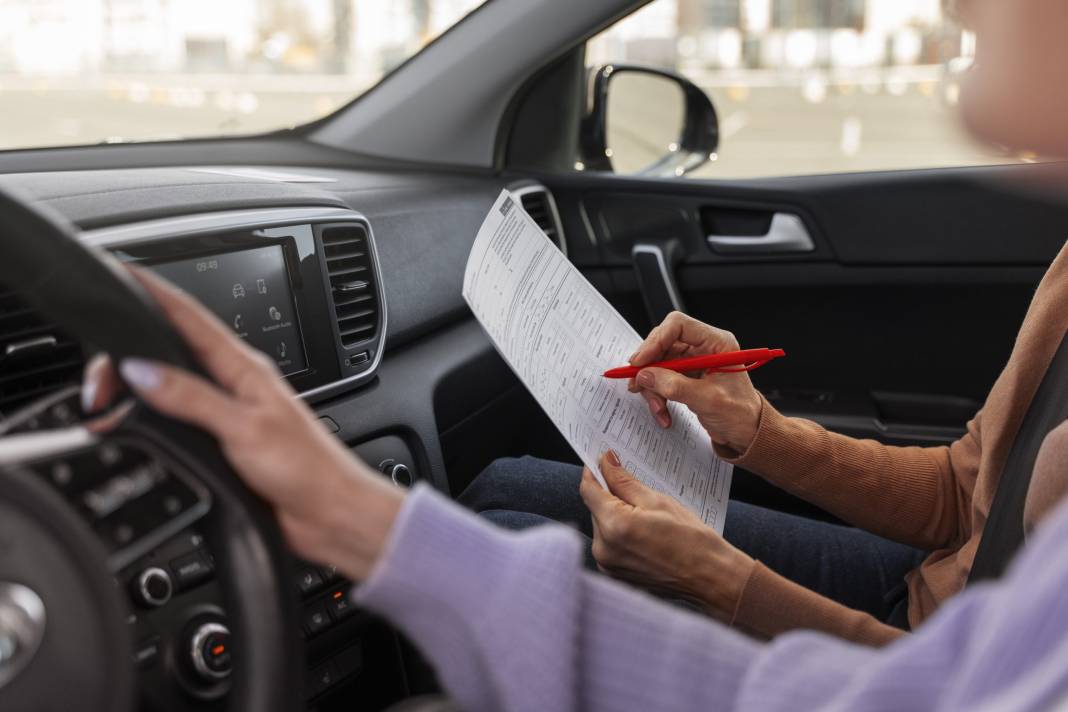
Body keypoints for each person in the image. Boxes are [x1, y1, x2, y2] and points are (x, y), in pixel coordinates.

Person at [81, 0, 1068, 707]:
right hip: (946, 590)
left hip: (929, 635)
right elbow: (957, 492)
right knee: (509, 486)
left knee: (504, 538)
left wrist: (721, 583)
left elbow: (934, 691)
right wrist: (757, 429)